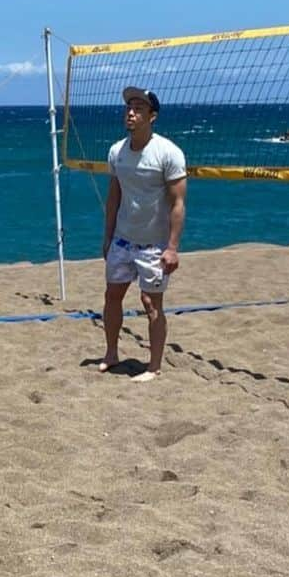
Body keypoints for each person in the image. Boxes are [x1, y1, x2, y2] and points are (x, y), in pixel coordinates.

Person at [99, 87, 187, 383]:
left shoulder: (168, 153)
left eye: (138, 108)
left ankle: (154, 366)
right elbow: (114, 196)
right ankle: (111, 353)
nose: (131, 112)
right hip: (122, 240)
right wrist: (107, 236)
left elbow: (178, 203)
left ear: (152, 116)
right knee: (112, 295)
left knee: (152, 304)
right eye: (128, 107)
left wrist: (172, 248)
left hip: (154, 245)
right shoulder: (116, 151)